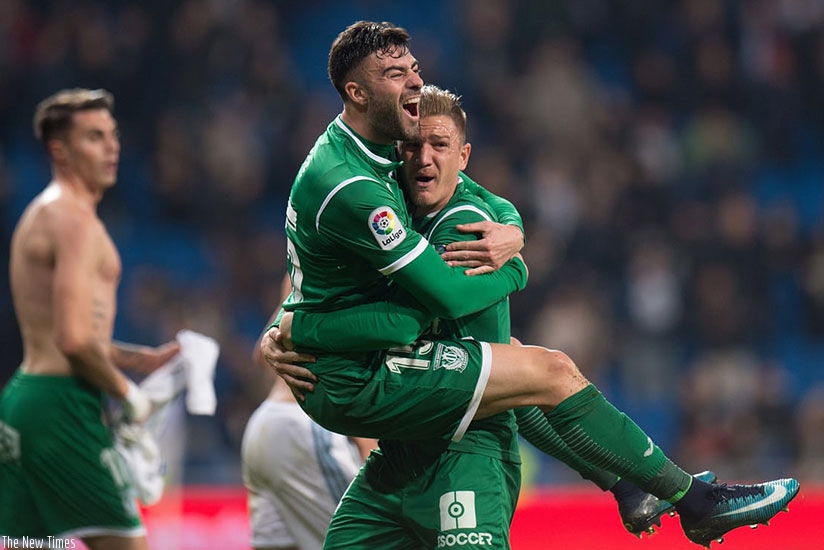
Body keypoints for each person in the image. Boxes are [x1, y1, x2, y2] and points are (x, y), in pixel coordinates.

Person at [262, 21, 798, 549]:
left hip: (442, 446)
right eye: (394, 74)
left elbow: (335, 267)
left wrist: (515, 232)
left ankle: (644, 487)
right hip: (366, 391)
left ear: (463, 155)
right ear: (356, 93)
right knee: (541, 367)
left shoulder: (413, 175)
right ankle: (688, 499)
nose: (412, 86)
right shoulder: (362, 183)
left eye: (414, 70)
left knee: (523, 363)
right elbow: (432, 301)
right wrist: (516, 268)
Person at [0, 88, 180, 550]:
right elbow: (74, 340)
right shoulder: (73, 221)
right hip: (62, 405)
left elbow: (64, 328)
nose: (112, 147)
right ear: (59, 149)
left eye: (113, 136)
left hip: (26, 400)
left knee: (33, 546)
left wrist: (135, 359)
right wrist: (128, 393)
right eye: (95, 137)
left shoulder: (45, 213)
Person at [242, 277, 377, 550]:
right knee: (369, 540)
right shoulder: (375, 257)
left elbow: (262, 354)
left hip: (267, 423)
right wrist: (369, 451)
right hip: (308, 429)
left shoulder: (303, 259)